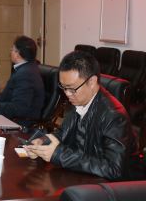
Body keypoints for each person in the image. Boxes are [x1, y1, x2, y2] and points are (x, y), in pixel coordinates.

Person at [24, 50, 137, 180]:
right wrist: (43, 142)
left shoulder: (114, 116)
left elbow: (114, 169)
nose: (67, 94)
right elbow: (64, 132)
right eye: (63, 87)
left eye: (72, 88)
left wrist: (59, 155)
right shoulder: (79, 99)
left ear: (92, 82)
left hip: (107, 186)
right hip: (81, 176)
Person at [0, 35, 44, 125]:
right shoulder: (27, 68)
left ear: (18, 53)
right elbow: (8, 95)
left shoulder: (25, 75)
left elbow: (20, 107)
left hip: (19, 123)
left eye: (12, 49)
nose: (10, 52)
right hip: (10, 116)